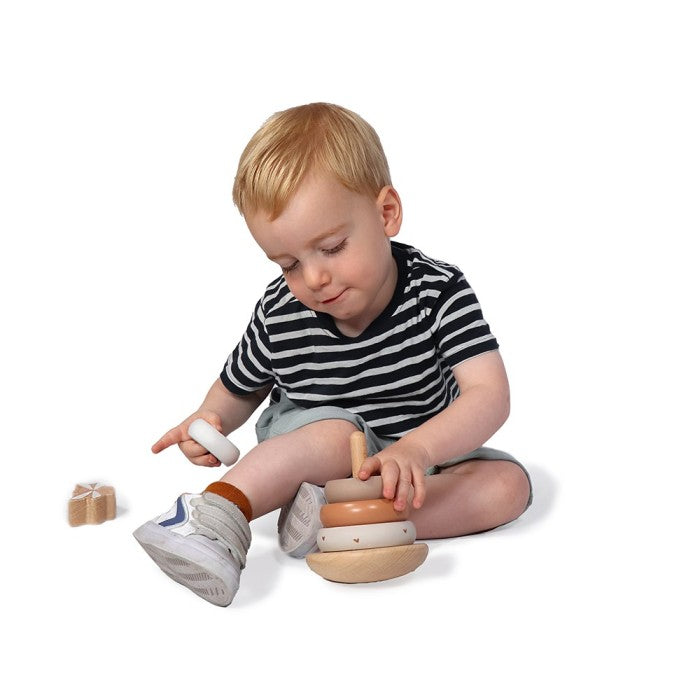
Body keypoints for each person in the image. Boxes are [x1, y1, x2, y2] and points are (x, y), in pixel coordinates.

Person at [133, 102, 533, 606]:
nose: (314, 279)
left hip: (417, 456)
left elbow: (488, 394)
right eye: (288, 264)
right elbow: (240, 387)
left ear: (386, 214)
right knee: (340, 435)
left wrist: (419, 449)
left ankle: (335, 519)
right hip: (315, 447)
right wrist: (211, 419)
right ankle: (214, 517)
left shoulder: (438, 291)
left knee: (508, 486)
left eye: (332, 248)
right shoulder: (281, 311)